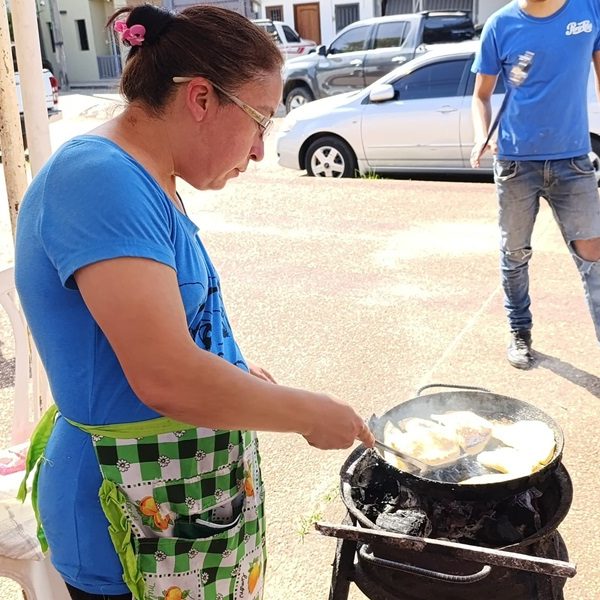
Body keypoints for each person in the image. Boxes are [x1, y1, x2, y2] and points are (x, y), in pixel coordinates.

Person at [14, 5, 374, 600]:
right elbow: (165, 376)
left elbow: (171, 332)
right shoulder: (98, 178)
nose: (260, 151)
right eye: (261, 121)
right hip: (126, 505)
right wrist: (309, 413)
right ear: (201, 99)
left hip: (178, 491)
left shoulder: (149, 176)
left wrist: (234, 369)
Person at [470, 0, 600, 369]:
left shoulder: (590, 10)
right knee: (514, 255)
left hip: (573, 161)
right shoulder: (500, 25)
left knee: (594, 256)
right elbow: (481, 96)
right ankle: (520, 332)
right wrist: (481, 136)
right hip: (515, 164)